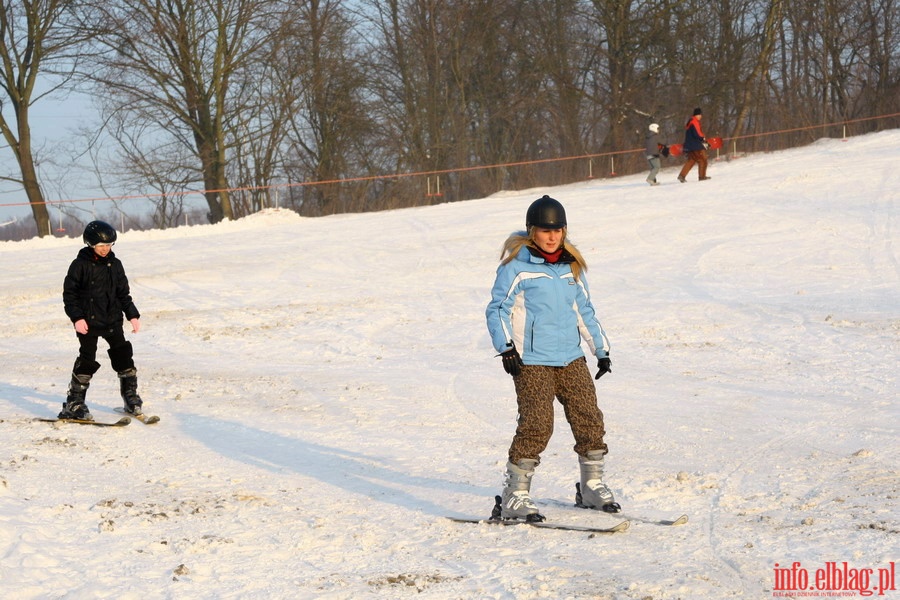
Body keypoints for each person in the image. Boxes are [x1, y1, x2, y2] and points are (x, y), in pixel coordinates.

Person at [485, 195, 619, 521]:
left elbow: (584, 310)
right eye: (545, 230)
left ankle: (592, 487)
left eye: (557, 229)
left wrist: (601, 351)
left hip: (571, 358)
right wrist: (506, 348)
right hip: (531, 360)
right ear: (532, 231)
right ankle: (515, 495)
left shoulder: (570, 266)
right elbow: (498, 308)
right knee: (537, 425)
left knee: (589, 418)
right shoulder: (516, 267)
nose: (552, 236)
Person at [60, 220, 144, 420]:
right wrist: (77, 318)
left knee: (123, 356)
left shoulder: (115, 264)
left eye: (109, 245)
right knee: (87, 360)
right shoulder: (79, 265)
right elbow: (69, 295)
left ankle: (130, 397)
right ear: (90, 244)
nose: (105, 249)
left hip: (112, 321)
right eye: (101, 246)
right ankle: (75, 402)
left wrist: (132, 314)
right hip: (88, 323)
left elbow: (123, 293)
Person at [677, 107, 711, 182]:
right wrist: (703, 139)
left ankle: (682, 176)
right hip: (695, 145)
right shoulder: (694, 122)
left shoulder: (690, 121)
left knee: (691, 160)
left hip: (689, 145)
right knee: (703, 160)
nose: (701, 116)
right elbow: (698, 134)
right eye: (700, 115)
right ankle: (702, 176)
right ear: (696, 115)